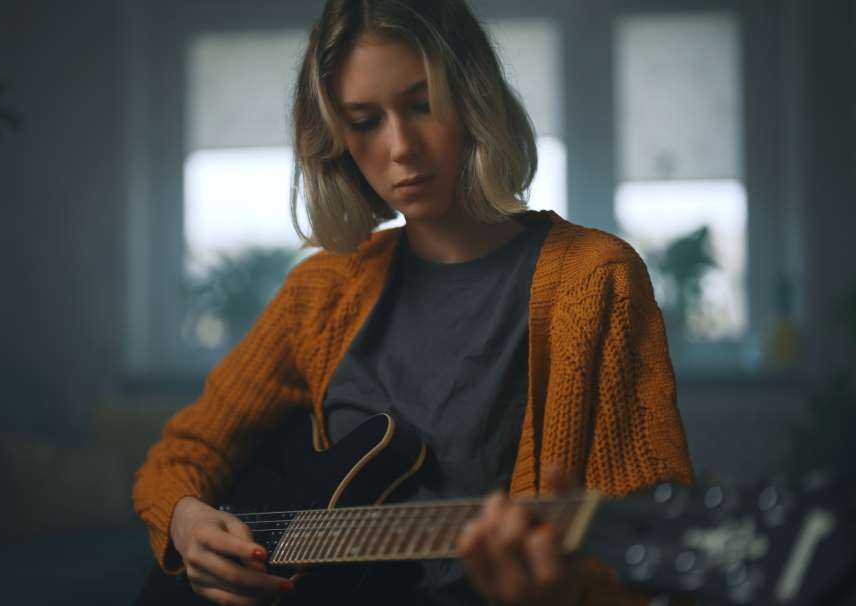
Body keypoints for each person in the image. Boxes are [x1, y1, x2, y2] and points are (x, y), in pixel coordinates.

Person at [133, 0, 694, 604]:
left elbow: (647, 569)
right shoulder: (321, 292)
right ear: (337, 140)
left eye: (423, 104)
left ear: (475, 101)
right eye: (365, 121)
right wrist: (186, 522)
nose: (401, 147)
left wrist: (563, 591)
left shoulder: (596, 279)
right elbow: (184, 453)